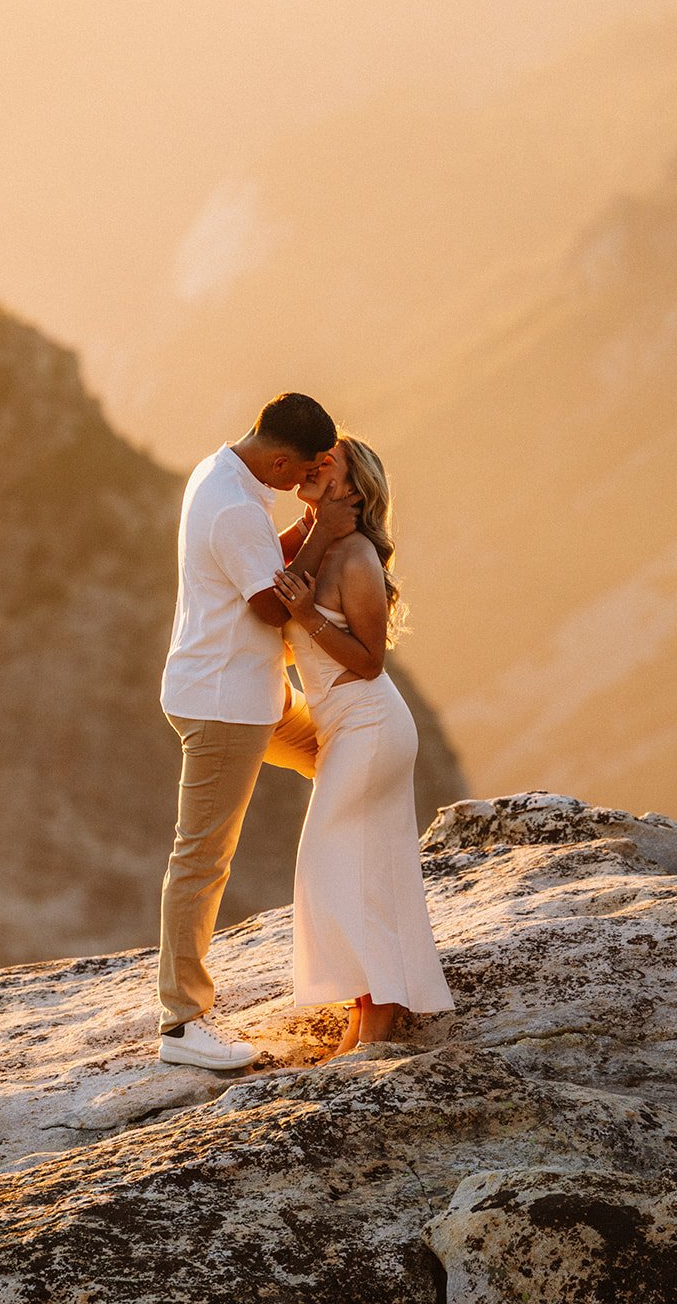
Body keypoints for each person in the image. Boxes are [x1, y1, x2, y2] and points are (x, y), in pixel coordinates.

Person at [157, 392, 359, 1071]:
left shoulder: (220, 474)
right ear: (278, 458)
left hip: (248, 695)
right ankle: (183, 1024)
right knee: (201, 857)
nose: (300, 481)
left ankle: (353, 935)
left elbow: (255, 562)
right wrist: (326, 530)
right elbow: (274, 607)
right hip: (225, 706)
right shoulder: (237, 507)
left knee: (349, 760)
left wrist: (309, 521)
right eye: (299, 471)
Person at [273, 434, 454, 1056]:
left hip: (370, 724)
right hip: (343, 726)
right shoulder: (317, 543)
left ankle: (379, 1020)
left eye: (328, 463)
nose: (313, 464)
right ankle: (367, 1014)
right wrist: (311, 528)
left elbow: (372, 661)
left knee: (334, 864)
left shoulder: (355, 558)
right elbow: (264, 585)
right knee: (360, 870)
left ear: (352, 486)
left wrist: (312, 615)